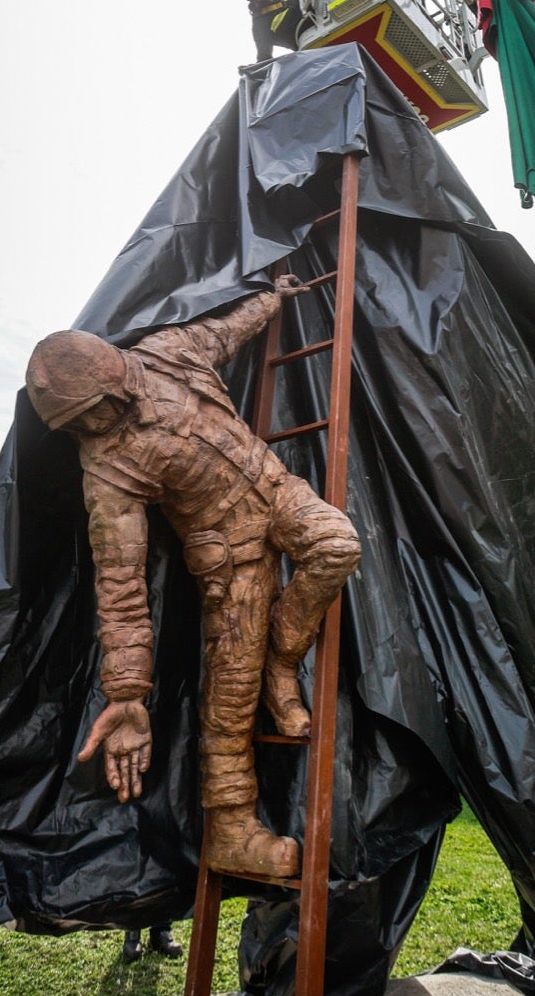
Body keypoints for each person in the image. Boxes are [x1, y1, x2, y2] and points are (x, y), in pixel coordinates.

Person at [25, 278, 360, 883]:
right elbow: (120, 585)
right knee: (230, 696)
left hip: (278, 491)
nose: (86, 431)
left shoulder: (168, 354)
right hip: (229, 558)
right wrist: (127, 693)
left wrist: (274, 298)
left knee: (335, 545)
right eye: (73, 426)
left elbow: (226, 330)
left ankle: (282, 665)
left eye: (88, 416)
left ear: (114, 383)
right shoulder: (106, 468)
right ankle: (232, 830)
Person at [232, 0, 308, 63]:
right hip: (311, 41)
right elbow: (264, 58)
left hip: (321, 15)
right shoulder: (260, 27)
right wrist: (253, 73)